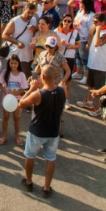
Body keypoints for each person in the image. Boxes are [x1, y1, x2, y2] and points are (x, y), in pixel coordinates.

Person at [18, 65, 65, 198]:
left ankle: (28, 181)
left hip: (37, 131)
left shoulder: (38, 94)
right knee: (51, 158)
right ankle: (46, 187)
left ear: (42, 77)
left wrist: (32, 88)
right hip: (53, 131)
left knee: (30, 155)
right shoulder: (62, 91)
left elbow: (21, 103)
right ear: (55, 77)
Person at [0, 54, 27, 146]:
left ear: (18, 64)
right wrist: (6, 91)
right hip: (7, 99)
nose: (13, 65)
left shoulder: (21, 74)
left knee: (16, 118)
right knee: (5, 117)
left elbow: (23, 88)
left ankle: (17, 136)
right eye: (11, 63)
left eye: (15, 63)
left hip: (17, 100)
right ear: (9, 63)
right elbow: (0, 85)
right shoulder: (5, 72)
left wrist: (16, 94)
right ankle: (4, 136)